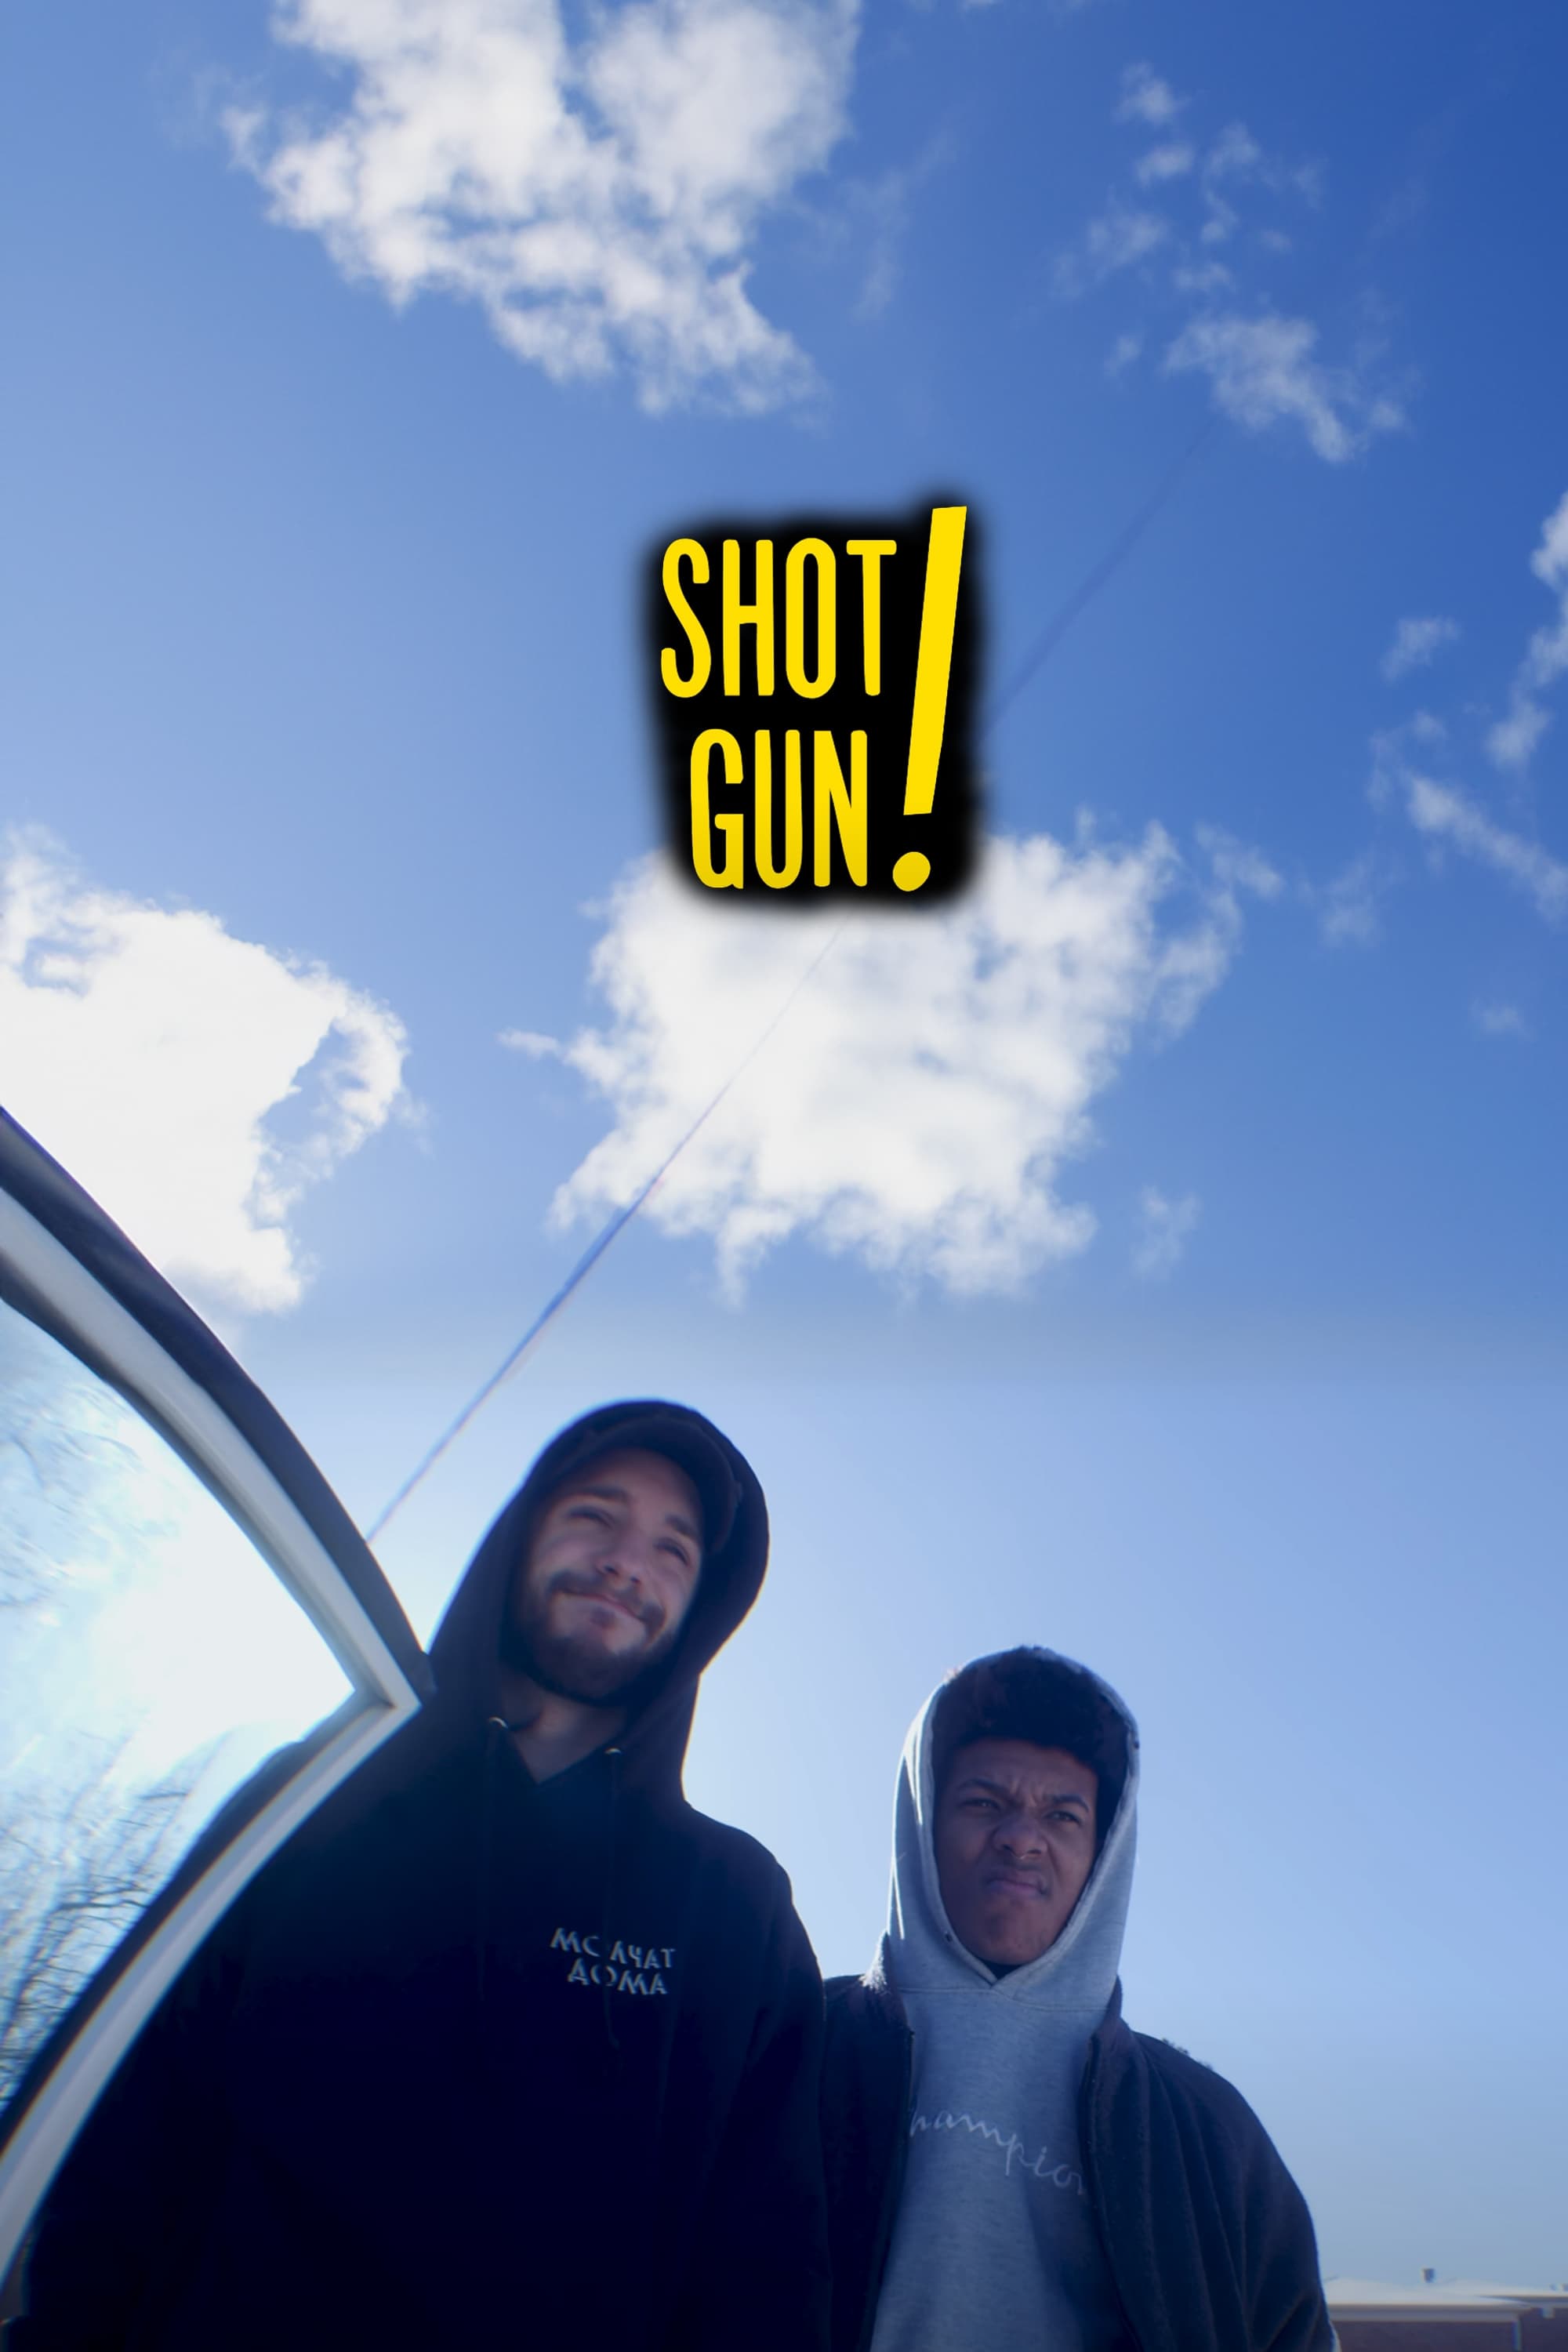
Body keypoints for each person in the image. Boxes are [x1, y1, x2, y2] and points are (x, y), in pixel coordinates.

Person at [13, 1400, 830, 2352]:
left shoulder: (732, 1904)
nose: (625, 1562)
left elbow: (763, 2264)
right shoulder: (322, 1789)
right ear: (518, 1535)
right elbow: (137, 2108)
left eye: (672, 1550)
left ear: (699, 1612)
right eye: (594, 1515)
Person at [820, 1646, 1334, 2352]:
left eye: (1062, 1817)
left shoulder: (1204, 2126)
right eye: (983, 1803)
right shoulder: (789, 2052)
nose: (1021, 1839)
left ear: (1104, 1854)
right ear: (923, 1823)